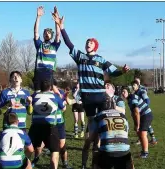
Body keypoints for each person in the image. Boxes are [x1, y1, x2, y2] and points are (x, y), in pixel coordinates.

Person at [52, 9, 130, 169]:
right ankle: (92, 158)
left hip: (101, 97)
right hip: (88, 98)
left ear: (96, 46)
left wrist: (123, 70)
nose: (88, 43)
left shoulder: (101, 59)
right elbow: (68, 43)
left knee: (104, 129)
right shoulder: (80, 57)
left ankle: (106, 156)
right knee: (92, 133)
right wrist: (61, 27)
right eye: (87, 42)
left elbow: (114, 71)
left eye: (91, 42)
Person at [28, 80, 66, 169]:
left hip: (36, 127)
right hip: (50, 127)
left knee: (28, 152)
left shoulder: (34, 96)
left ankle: (27, 165)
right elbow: (63, 108)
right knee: (55, 152)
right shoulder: (55, 96)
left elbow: (28, 110)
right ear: (50, 87)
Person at [93, 94, 134, 169]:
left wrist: (96, 150)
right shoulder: (123, 116)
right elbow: (126, 133)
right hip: (124, 150)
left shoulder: (99, 116)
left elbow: (94, 137)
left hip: (107, 151)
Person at [33, 6, 62, 98]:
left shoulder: (54, 45)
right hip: (38, 72)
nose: (46, 34)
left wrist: (56, 20)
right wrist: (38, 17)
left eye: (49, 33)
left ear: (51, 35)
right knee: (37, 94)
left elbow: (58, 34)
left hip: (49, 72)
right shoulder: (39, 45)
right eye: (45, 32)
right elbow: (36, 32)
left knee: (49, 94)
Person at [121, 87, 153, 158]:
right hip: (142, 115)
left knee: (142, 133)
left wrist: (137, 125)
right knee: (139, 133)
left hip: (146, 115)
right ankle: (143, 151)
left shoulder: (132, 98)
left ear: (128, 92)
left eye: (124, 92)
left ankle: (145, 153)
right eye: (122, 92)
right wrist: (135, 124)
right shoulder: (129, 99)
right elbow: (133, 113)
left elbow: (136, 112)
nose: (122, 93)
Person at [133, 79, 158, 145]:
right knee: (147, 125)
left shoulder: (142, 91)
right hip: (140, 112)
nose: (133, 86)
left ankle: (141, 139)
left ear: (138, 84)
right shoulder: (135, 92)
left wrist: (143, 108)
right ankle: (153, 139)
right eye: (132, 85)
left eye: (134, 85)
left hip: (144, 112)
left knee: (142, 125)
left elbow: (147, 100)